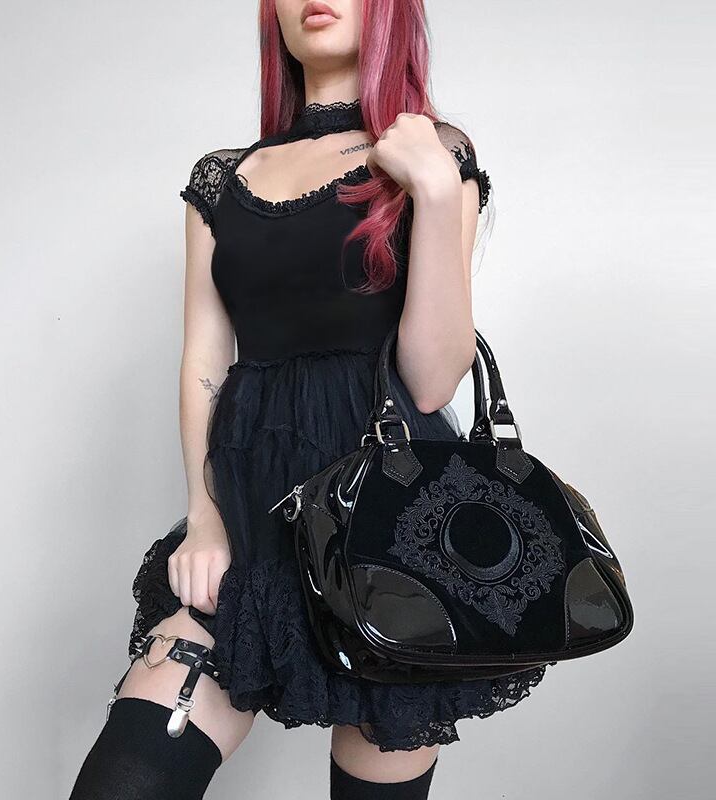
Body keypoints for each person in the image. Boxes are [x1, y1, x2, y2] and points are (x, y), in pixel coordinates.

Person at [69, 1, 550, 797]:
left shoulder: (434, 152)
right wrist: (206, 517)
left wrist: (436, 189)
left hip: (392, 533)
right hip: (250, 519)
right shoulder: (222, 177)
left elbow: (433, 381)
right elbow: (204, 357)